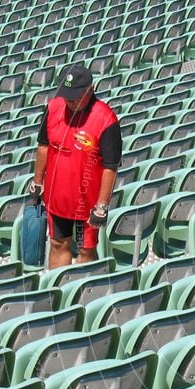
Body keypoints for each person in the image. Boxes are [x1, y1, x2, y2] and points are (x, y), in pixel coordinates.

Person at [29, 64, 122, 269]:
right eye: (66, 94)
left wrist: (102, 205)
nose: (69, 100)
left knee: (85, 249)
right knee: (57, 243)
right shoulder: (53, 107)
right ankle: (58, 293)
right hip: (57, 198)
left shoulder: (105, 118)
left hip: (86, 205)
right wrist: (37, 182)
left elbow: (110, 166)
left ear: (90, 89)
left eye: (75, 95)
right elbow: (43, 145)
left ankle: (84, 294)